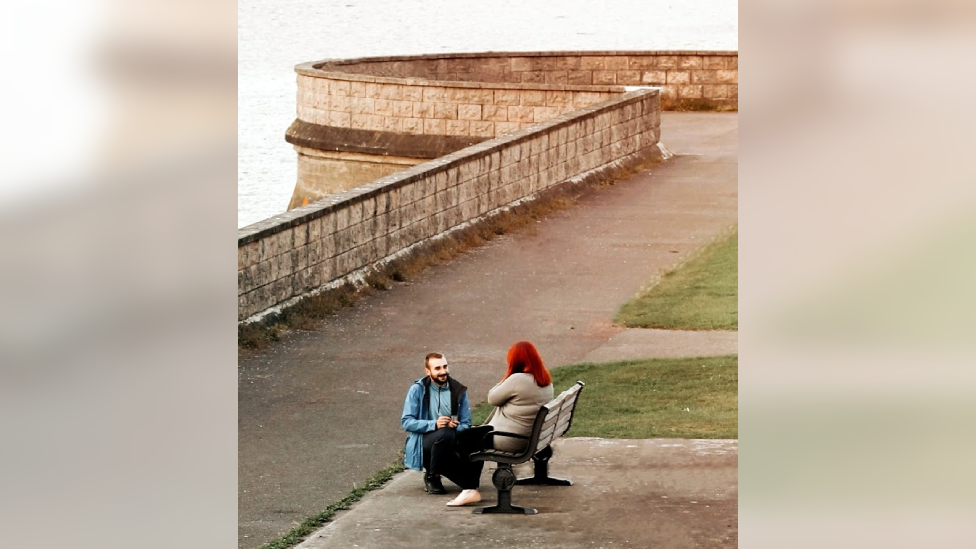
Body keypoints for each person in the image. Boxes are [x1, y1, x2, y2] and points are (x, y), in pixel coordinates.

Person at [401, 352, 486, 506]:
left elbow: (466, 423)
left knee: (480, 434)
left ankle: (469, 485)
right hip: (424, 440)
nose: (443, 371)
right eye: (437, 368)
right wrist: (434, 424)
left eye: (445, 366)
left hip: (450, 438)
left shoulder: (458, 389)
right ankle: (433, 476)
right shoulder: (417, 390)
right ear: (428, 371)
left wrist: (456, 427)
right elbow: (407, 422)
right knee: (444, 434)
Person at [485, 341, 554, 453]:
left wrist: (507, 377)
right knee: (472, 435)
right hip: (533, 438)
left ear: (515, 361)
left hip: (508, 439)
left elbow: (492, 398)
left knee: (466, 439)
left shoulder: (517, 380)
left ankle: (467, 470)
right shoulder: (546, 381)